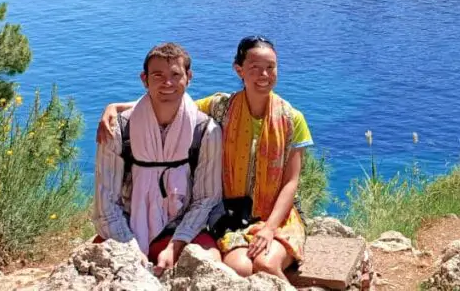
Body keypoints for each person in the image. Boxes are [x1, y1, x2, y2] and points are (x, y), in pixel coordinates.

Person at [96, 36, 313, 280]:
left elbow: (290, 182)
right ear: (239, 70)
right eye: (254, 67)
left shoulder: (292, 119)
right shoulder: (222, 107)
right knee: (239, 269)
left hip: (276, 217)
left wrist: (270, 228)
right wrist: (116, 108)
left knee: (264, 265)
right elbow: (170, 102)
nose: (263, 74)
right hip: (233, 217)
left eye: (270, 67)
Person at [90, 42, 223, 273]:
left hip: (181, 229)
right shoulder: (117, 130)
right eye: (158, 75)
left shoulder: (206, 131)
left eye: (175, 75)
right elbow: (106, 203)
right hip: (125, 230)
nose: (167, 83)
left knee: (210, 268)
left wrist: (175, 245)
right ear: (144, 79)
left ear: (188, 77)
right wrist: (130, 249)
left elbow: (206, 198)